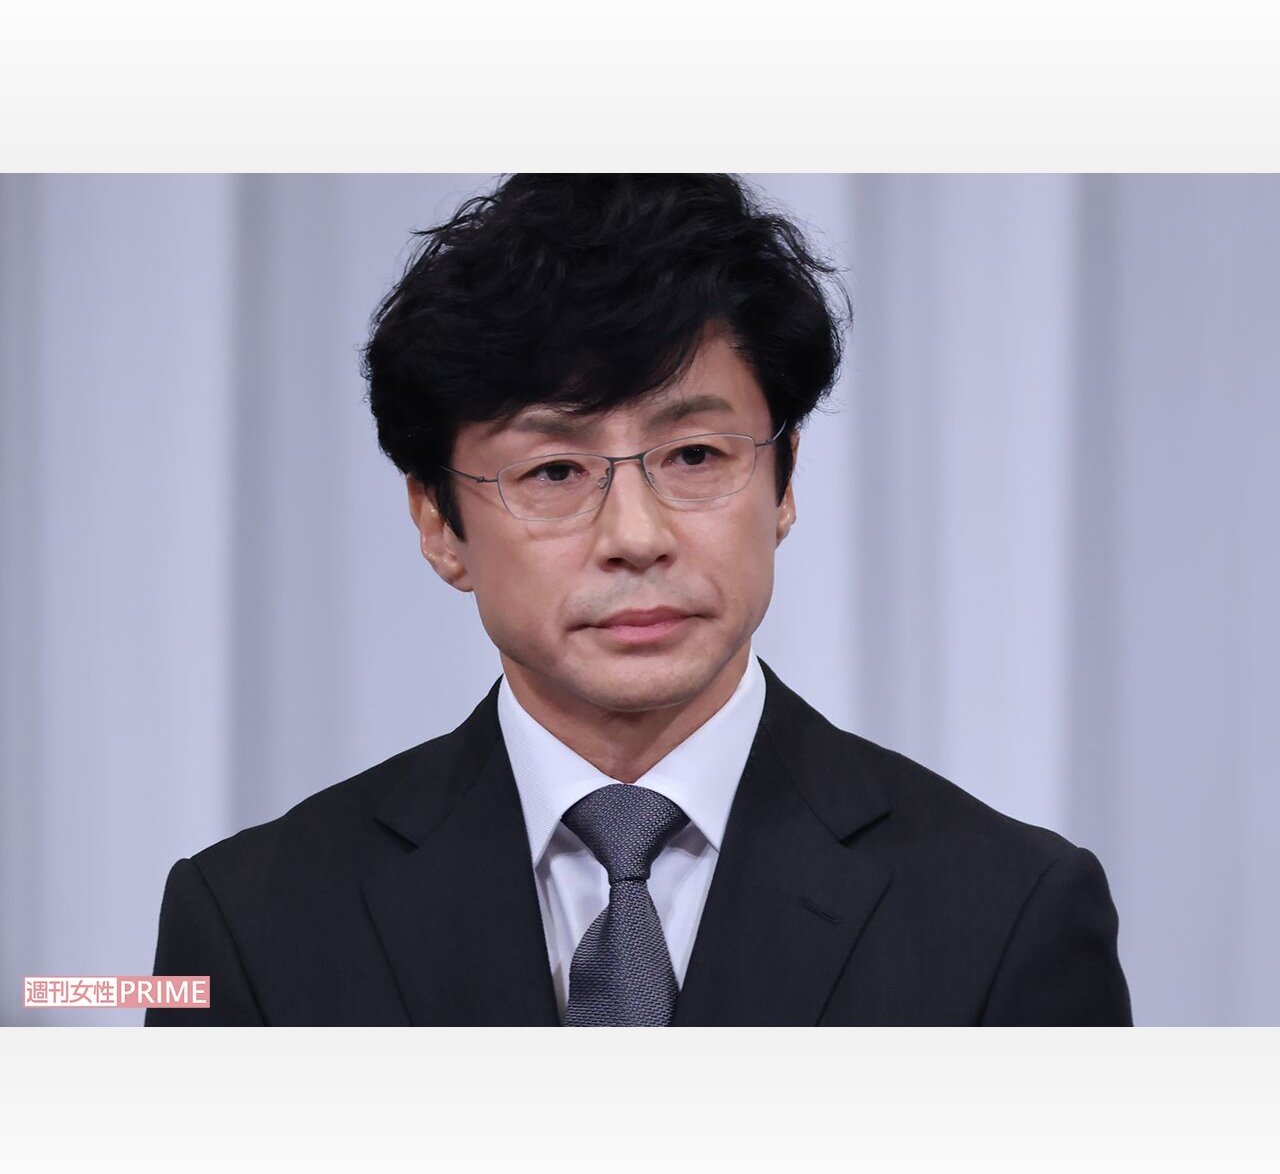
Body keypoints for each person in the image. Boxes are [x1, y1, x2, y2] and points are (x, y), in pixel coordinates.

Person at [146, 174, 1132, 1026]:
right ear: (439, 522)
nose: (636, 535)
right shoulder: (250, 923)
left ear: (783, 481)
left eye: (694, 455)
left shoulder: (1006, 914)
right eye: (553, 471)